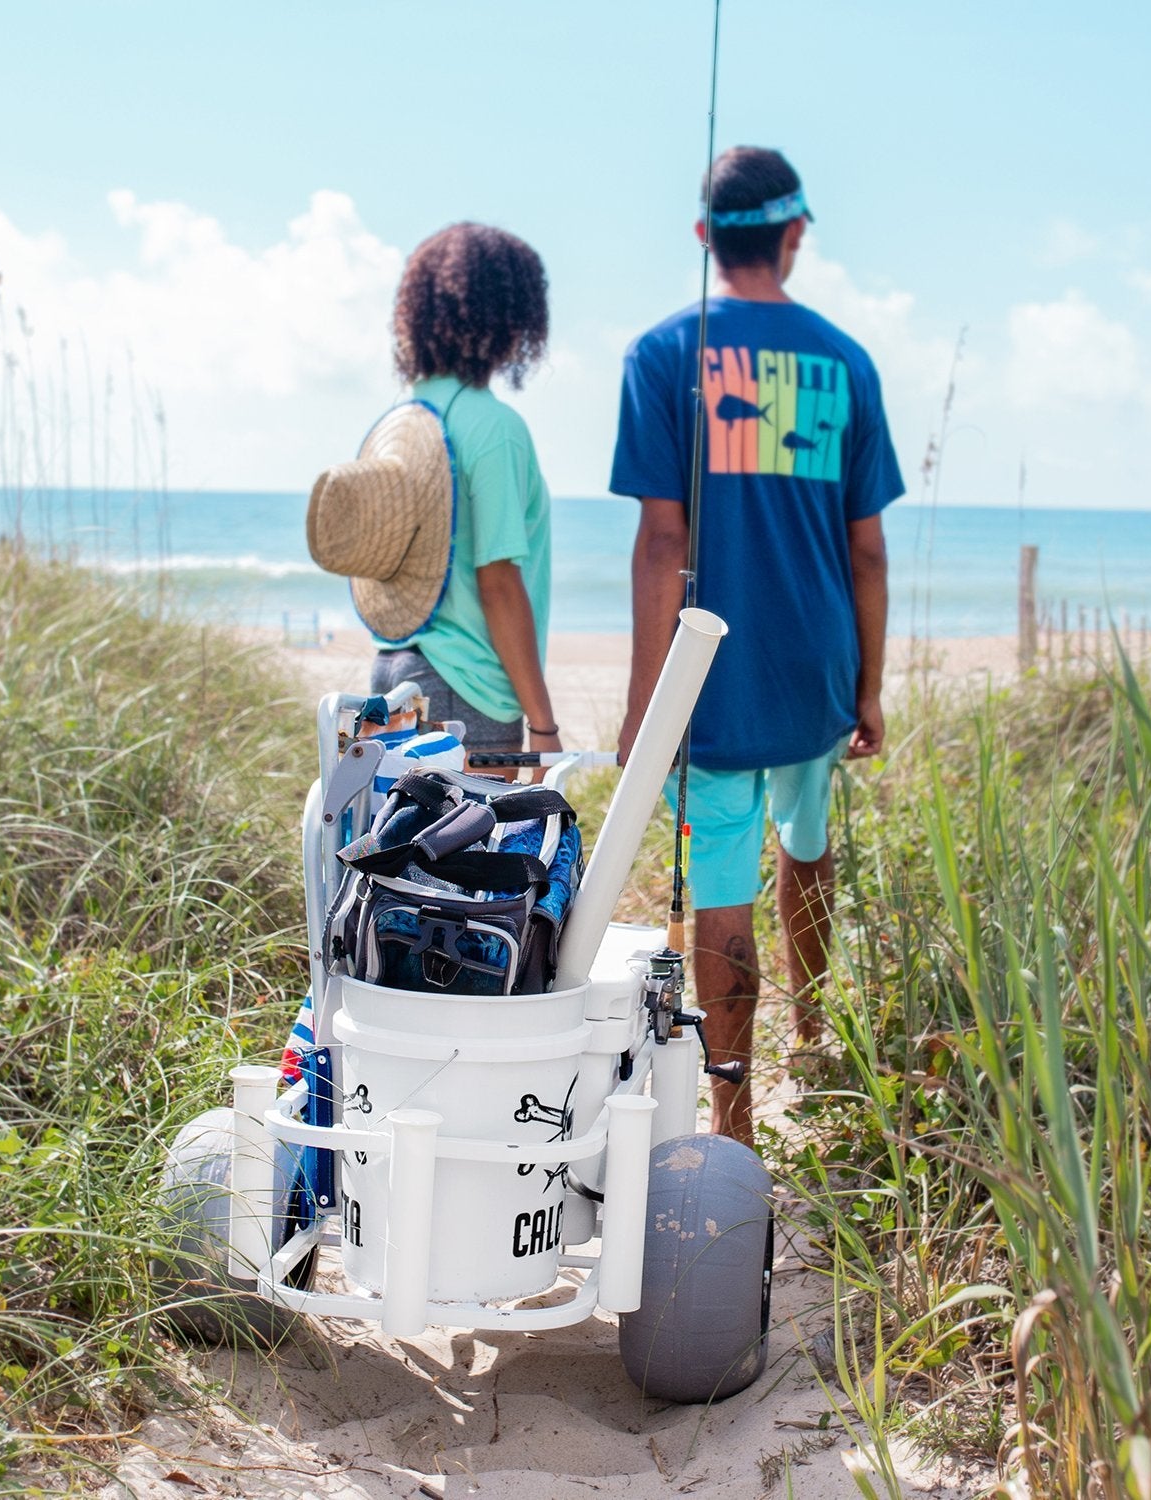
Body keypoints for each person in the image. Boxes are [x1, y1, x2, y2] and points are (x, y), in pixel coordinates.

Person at [610, 147, 903, 1144]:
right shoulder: (848, 363)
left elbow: (662, 541)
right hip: (818, 669)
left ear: (703, 239)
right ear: (795, 234)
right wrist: (870, 686)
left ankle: (734, 1117)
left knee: (723, 888)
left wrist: (648, 704)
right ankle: (813, 1036)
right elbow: (868, 550)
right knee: (807, 847)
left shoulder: (661, 357)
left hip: (712, 684)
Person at [309, 222, 560, 759]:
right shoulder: (495, 427)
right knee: (475, 844)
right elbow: (497, 581)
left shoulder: (400, 422)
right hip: (470, 688)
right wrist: (542, 723)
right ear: (512, 317)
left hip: (391, 668)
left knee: (392, 843)